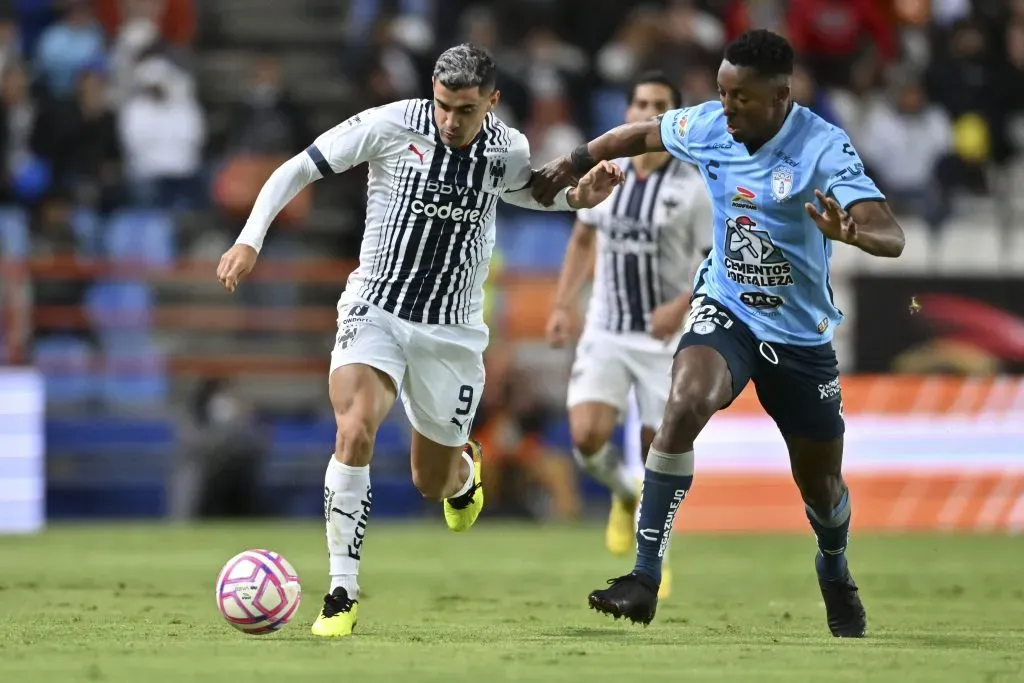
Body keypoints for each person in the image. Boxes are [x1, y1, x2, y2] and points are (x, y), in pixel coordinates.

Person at [215, 43, 623, 638]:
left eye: (465, 109)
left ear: (492, 101)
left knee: (431, 483)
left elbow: (525, 191)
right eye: (443, 106)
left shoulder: (507, 147)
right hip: (374, 308)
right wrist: (250, 239)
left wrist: (579, 197)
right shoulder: (389, 125)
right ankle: (340, 594)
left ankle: (463, 473)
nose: (451, 121)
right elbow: (297, 167)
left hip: (450, 334)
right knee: (353, 429)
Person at [532, 29, 905, 637]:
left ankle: (834, 567)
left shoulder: (822, 147)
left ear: (781, 96)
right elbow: (638, 135)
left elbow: (891, 232)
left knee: (821, 487)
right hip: (726, 308)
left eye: (742, 99)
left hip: (801, 338)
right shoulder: (710, 124)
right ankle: (644, 579)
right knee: (684, 403)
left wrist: (854, 233)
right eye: (723, 93)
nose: (727, 108)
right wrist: (573, 161)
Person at [545, 71, 711, 599]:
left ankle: (652, 562)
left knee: (657, 450)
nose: (645, 111)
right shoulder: (606, 173)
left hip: (664, 339)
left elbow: (720, 264)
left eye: (658, 105)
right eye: (639, 101)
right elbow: (580, 240)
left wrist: (681, 305)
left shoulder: (695, 187)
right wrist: (561, 305)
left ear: (673, 119)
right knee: (587, 438)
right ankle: (622, 493)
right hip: (607, 328)